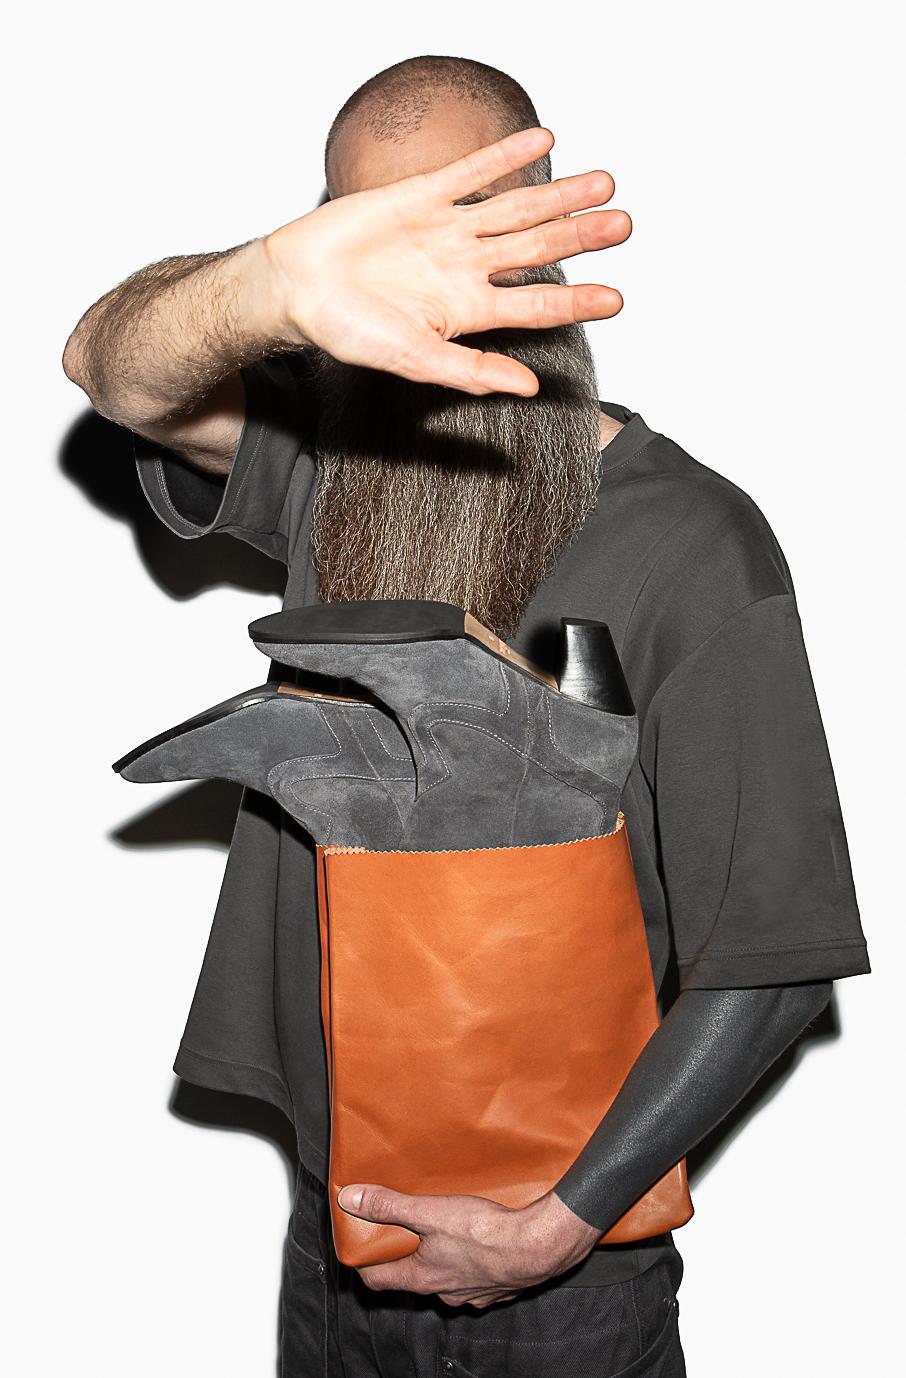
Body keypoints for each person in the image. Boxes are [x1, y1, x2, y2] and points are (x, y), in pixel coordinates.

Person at [63, 54, 870, 1378]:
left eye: (456, 218)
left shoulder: (691, 541)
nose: (416, 268)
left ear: (542, 224)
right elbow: (116, 370)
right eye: (368, 228)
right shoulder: (334, 470)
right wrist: (269, 284)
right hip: (338, 1235)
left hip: (562, 1280)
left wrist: (561, 1222)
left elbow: (772, 954)